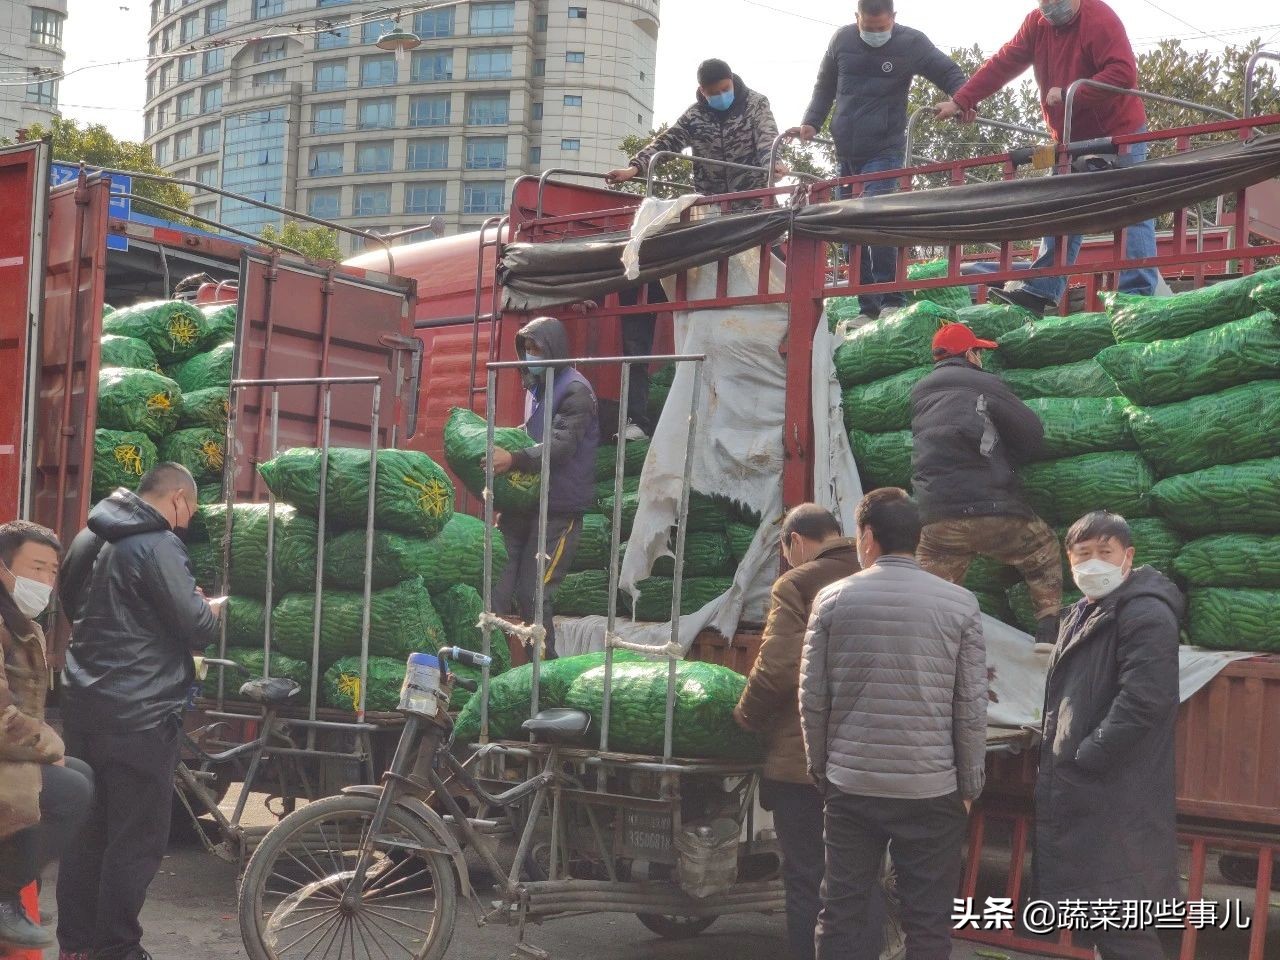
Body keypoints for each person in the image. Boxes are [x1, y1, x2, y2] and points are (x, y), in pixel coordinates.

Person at [800, 487, 986, 960]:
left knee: (840, 910)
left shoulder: (832, 599)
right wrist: (969, 784)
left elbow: (813, 698)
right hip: (931, 788)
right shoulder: (961, 604)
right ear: (917, 540)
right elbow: (969, 705)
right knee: (927, 919)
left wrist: (822, 768)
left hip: (852, 784)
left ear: (867, 537)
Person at [56, 463, 225, 960]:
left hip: (84, 705)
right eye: (190, 510)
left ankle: (77, 946)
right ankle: (118, 948)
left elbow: (73, 602)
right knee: (135, 839)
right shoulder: (159, 545)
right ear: (176, 498)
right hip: (143, 715)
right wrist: (209, 609)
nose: (188, 523)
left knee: (87, 832)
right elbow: (193, 626)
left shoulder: (89, 536)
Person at [935, 0, 1159, 313]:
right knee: (1061, 207)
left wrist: (1072, 92)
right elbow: (1004, 63)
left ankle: (1137, 298)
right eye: (1046, 1)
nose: (1053, 6)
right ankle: (1041, 290)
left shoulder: (1100, 19)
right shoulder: (1036, 25)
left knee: (1132, 208)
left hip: (1119, 132)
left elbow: (1123, 73)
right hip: (1069, 137)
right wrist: (962, 100)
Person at [1036, 511, 1181, 959]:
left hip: (1115, 790)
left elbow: (1145, 700)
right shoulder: (1083, 611)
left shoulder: (1145, 614)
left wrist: (1088, 755)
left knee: (1121, 919)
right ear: (1069, 560)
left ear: (1127, 557)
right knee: (1104, 916)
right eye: (1083, 554)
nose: (1092, 563)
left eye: (1105, 552)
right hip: (1091, 791)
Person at [733, 505, 860, 960]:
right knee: (856, 876)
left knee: (807, 874)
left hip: (803, 758)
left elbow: (778, 667)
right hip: (865, 761)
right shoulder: (872, 573)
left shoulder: (799, 582)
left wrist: (745, 715)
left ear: (795, 541)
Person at [790, 0, 966, 323]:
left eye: (881, 28)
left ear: (894, 19)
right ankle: (867, 307)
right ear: (856, 18)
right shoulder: (841, 41)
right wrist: (811, 121)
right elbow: (824, 86)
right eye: (867, 28)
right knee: (848, 232)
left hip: (884, 149)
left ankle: (891, 301)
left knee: (877, 219)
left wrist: (961, 100)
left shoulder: (910, 43)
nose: (874, 34)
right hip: (846, 153)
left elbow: (948, 70)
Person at [911, 323, 1063, 646]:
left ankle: (928, 645)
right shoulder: (984, 383)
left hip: (936, 518)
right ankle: (1048, 631)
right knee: (1042, 548)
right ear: (970, 354)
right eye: (979, 351)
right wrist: (1011, 458)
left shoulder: (919, 392)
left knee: (929, 594)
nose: (981, 357)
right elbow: (1031, 434)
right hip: (991, 510)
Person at [0, 521, 94, 951]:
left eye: (52, 572)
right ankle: (3, 896)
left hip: (8, 750)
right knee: (69, 790)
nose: (44, 581)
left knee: (81, 774)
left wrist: (48, 751)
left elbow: (27, 711)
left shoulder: (22, 623)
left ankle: (15, 887)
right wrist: (48, 749)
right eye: (35, 568)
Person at [488, 316, 600, 661]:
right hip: (523, 507)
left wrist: (514, 457)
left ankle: (543, 674)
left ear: (554, 349)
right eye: (526, 349)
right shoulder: (536, 386)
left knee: (534, 596)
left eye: (536, 349)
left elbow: (561, 446)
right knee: (494, 589)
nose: (530, 356)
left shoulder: (576, 391)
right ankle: (482, 672)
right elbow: (530, 433)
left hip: (558, 512)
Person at [606, 58, 783, 207]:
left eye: (725, 89)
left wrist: (773, 163)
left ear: (732, 80)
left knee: (770, 246)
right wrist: (634, 168)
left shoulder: (755, 104)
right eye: (714, 93)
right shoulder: (694, 116)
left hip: (755, 202)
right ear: (702, 91)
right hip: (711, 206)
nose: (721, 96)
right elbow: (667, 141)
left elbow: (767, 136)